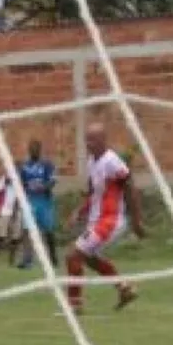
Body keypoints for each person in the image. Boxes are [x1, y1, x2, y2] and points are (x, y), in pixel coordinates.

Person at [64, 123, 144, 315]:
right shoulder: (92, 162)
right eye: (86, 140)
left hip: (110, 220)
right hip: (98, 220)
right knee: (89, 258)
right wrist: (79, 211)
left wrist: (136, 221)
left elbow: (130, 188)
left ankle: (75, 305)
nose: (88, 144)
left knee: (73, 255)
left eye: (91, 139)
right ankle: (125, 289)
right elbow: (94, 193)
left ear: (102, 140)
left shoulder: (112, 161)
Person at [16, 138, 57, 268]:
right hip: (30, 200)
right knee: (27, 230)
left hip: (44, 201)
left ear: (39, 150)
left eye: (35, 149)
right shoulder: (25, 166)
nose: (33, 151)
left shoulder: (47, 164)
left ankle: (53, 258)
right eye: (31, 149)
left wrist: (44, 187)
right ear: (29, 151)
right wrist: (21, 197)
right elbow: (21, 183)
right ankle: (27, 260)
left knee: (48, 230)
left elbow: (53, 181)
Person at [0, 171, 22, 265]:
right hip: (3, 210)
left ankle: (11, 260)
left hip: (15, 211)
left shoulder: (19, 182)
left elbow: (19, 198)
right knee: (0, 236)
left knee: (15, 237)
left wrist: (15, 211)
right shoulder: (2, 181)